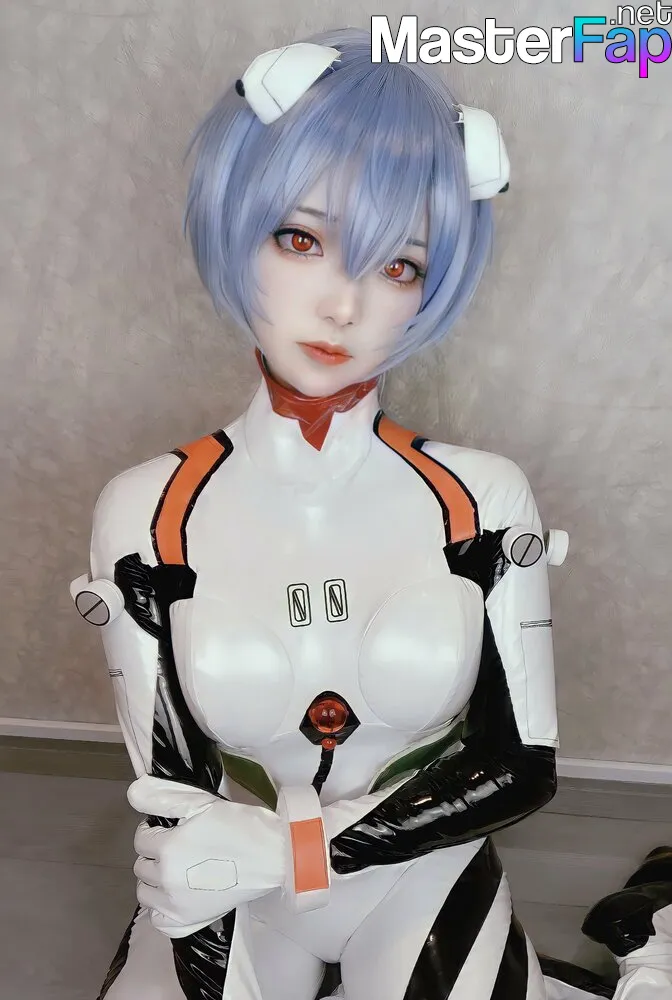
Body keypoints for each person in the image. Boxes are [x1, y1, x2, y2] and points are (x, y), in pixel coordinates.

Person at [70, 25, 658, 1000]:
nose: (343, 305)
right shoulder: (146, 508)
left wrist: (297, 849)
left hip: (417, 877)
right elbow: (169, 784)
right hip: (235, 880)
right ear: (236, 224)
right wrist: (198, 871)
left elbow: (520, 762)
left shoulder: (480, 497)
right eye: (301, 239)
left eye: (399, 266)